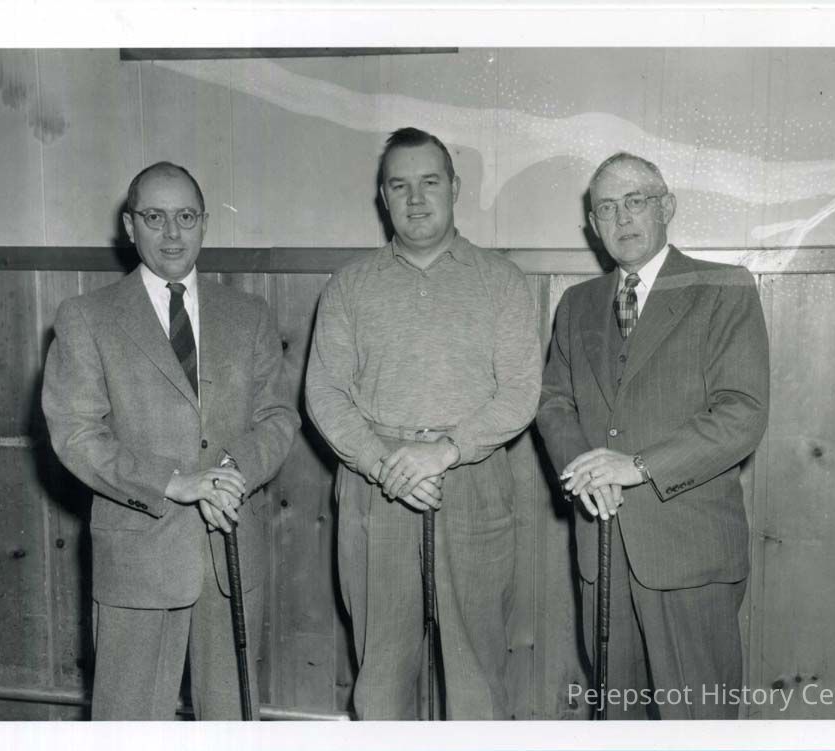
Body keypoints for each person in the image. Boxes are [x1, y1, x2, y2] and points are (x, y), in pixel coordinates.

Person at [42, 161, 299, 720]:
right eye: (154, 217)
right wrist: (173, 483)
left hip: (231, 547)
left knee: (232, 718)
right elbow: (77, 433)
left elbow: (278, 416)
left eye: (185, 216)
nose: (172, 233)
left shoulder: (249, 315)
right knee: (130, 720)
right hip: (139, 556)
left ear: (205, 223)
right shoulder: (87, 318)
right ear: (129, 226)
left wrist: (233, 473)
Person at [305, 127, 541, 720]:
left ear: (454, 189)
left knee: (477, 673)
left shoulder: (501, 281)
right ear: (383, 197)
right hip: (376, 488)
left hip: (473, 482)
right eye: (399, 186)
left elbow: (520, 392)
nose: (415, 199)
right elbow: (324, 392)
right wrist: (384, 463)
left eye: (430, 182)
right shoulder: (349, 286)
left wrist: (445, 451)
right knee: (381, 674)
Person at [536, 152, 769, 720]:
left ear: (667, 206)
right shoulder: (576, 304)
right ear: (592, 225)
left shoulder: (724, 288)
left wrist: (636, 466)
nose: (621, 218)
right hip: (602, 547)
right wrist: (586, 470)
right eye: (606, 208)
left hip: (689, 552)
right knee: (618, 718)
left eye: (635, 201)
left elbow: (742, 413)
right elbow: (554, 402)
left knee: (696, 721)